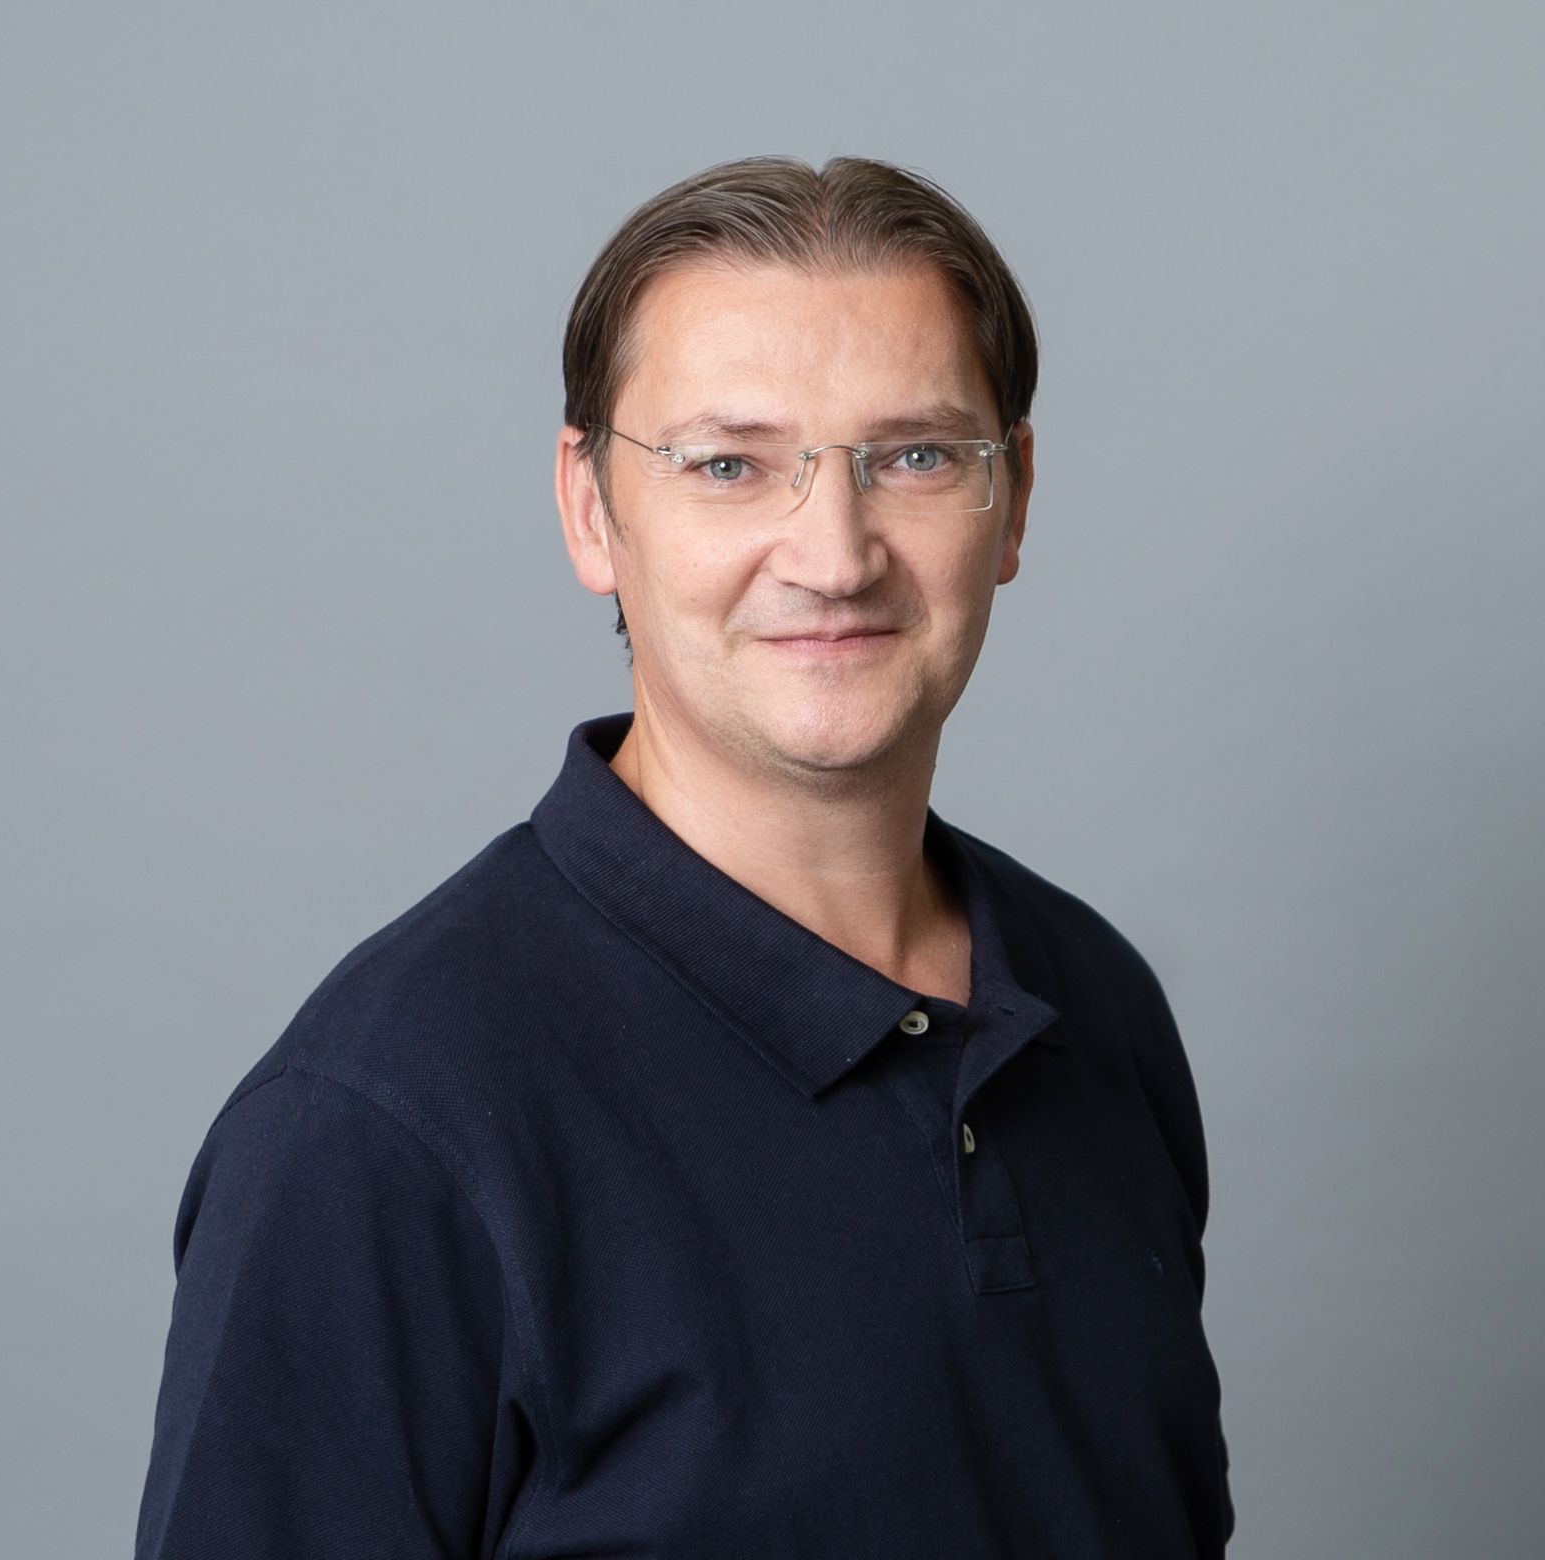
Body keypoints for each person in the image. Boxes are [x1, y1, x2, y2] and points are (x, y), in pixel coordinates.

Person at [135, 156, 1231, 1559]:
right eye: (730, 465)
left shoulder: (1094, 1003)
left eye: (913, 456)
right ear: (593, 510)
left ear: (1011, 497)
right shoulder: (376, 1131)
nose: (834, 555)